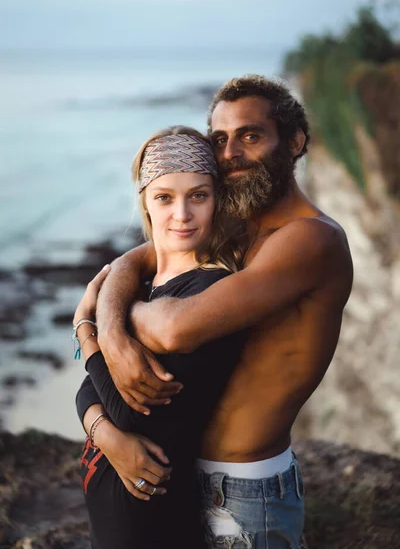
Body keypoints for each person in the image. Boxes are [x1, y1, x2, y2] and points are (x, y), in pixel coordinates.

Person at [89, 75, 354, 548]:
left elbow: (174, 329)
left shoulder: (312, 239)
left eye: (250, 136)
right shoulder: (234, 227)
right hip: (187, 475)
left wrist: (104, 323)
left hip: (248, 490)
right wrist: (108, 330)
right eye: (220, 139)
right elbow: (137, 258)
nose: (230, 153)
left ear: (294, 142)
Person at [74, 126, 247, 549]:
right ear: (146, 204)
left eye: (198, 195)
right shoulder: (144, 286)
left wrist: (86, 325)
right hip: (112, 516)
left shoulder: (210, 292)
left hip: (151, 521)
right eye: (165, 197)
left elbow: (132, 413)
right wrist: (106, 436)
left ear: (216, 200)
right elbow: (86, 392)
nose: (182, 214)